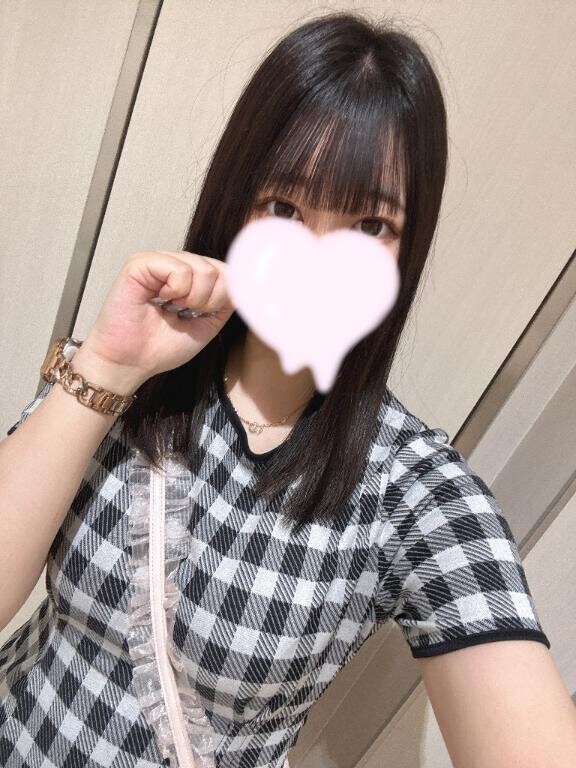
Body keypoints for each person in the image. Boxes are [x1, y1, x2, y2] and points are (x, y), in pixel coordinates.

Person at [1, 11, 572, 768]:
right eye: (283, 209)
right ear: (234, 205)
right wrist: (108, 366)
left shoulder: (409, 490)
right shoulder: (131, 375)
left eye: (369, 226)